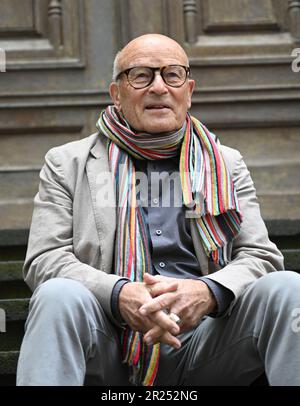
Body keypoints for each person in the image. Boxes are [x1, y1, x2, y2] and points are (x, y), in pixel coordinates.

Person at [17, 34, 300, 386]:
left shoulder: (226, 163)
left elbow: (260, 257)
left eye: (172, 75)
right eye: (141, 75)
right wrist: (119, 294)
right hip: (107, 344)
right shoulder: (67, 163)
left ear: (189, 90)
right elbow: (45, 259)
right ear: (116, 94)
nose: (158, 87)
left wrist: (207, 292)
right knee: (57, 294)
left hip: (206, 343)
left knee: (288, 288)